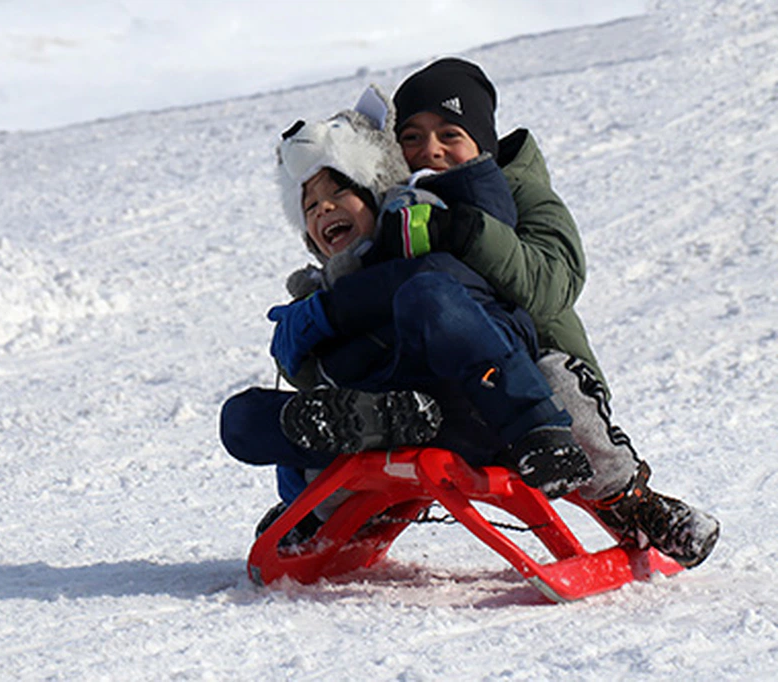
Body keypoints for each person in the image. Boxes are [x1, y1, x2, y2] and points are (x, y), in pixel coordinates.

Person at [363, 57, 718, 567]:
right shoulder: (394, 208)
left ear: (483, 143)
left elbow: (553, 285)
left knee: (557, 386)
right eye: (412, 136)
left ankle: (633, 504)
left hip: (534, 366)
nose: (430, 150)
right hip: (442, 381)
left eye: (450, 133)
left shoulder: (522, 192)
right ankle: (341, 509)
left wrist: (466, 231)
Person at [219, 85, 593, 541]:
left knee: (427, 293)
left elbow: (446, 297)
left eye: (340, 191)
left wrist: (331, 311)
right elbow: (317, 387)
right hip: (385, 424)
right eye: (310, 206)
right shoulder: (319, 292)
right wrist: (295, 352)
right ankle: (332, 479)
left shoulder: (423, 229)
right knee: (240, 418)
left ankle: (540, 431)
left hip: (475, 409)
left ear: (378, 191)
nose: (326, 209)